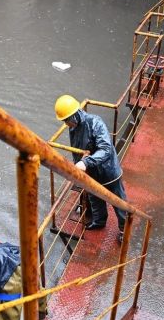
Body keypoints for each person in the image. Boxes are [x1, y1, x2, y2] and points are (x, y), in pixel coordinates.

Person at [54, 95, 128, 243]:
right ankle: (99, 221)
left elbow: (106, 149)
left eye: (67, 120)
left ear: (75, 114)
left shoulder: (95, 123)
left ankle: (124, 230)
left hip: (108, 171)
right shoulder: (73, 127)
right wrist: (79, 167)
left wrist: (86, 162)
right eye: (64, 121)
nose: (66, 124)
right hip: (91, 173)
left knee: (118, 201)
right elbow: (78, 149)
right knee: (95, 198)